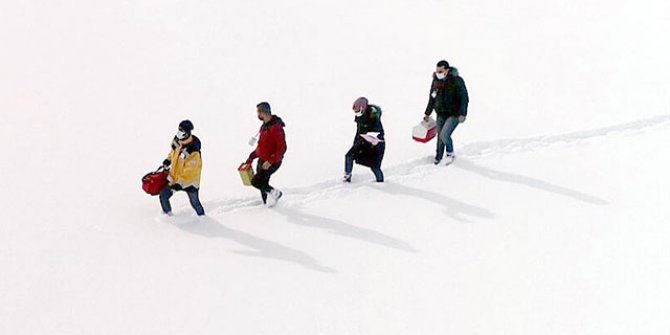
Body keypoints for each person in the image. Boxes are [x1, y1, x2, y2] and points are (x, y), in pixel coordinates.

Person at [423, 60, 469, 165]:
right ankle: (438, 157)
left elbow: (464, 97)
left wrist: (463, 113)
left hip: (454, 114)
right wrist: (427, 113)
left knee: (444, 135)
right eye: (437, 71)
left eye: (440, 71)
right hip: (441, 113)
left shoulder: (456, 81)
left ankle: (450, 154)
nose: (438, 73)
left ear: (447, 70)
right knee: (440, 136)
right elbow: (432, 98)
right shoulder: (435, 81)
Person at [244, 102, 287, 207]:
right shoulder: (264, 126)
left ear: (263, 112)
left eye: (258, 112)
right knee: (263, 185)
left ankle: (276, 194)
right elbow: (262, 146)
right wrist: (251, 157)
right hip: (262, 160)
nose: (257, 115)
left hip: (272, 162)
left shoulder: (276, 128)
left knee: (255, 181)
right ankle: (267, 205)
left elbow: (282, 148)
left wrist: (270, 161)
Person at [159, 120, 205, 216]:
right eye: (179, 129)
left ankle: (202, 218)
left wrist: (179, 184)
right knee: (163, 195)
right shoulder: (177, 141)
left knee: (195, 202)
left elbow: (190, 171)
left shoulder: (193, 152)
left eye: (181, 130)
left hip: (189, 182)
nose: (179, 131)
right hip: (174, 178)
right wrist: (168, 160)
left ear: (187, 133)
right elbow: (173, 153)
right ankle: (168, 217)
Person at [344, 97, 385, 183]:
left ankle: (380, 183)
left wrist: (372, 144)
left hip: (375, 145)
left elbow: (377, 134)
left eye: (358, 112)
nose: (357, 114)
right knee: (349, 156)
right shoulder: (361, 118)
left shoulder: (373, 117)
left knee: (375, 166)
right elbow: (359, 132)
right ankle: (347, 177)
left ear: (363, 109)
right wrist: (356, 142)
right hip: (362, 142)